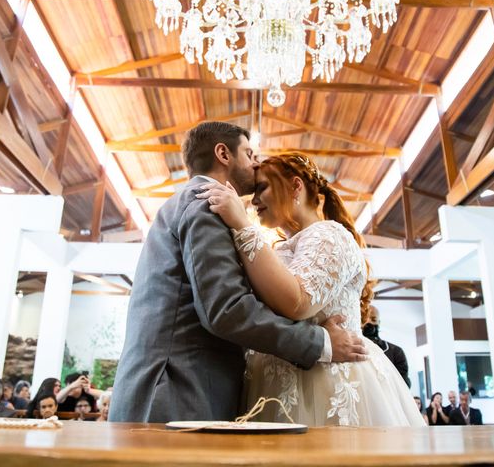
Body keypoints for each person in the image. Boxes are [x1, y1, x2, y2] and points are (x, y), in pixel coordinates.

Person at [109, 122, 367, 423]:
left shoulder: (201, 205)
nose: (255, 162)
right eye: (249, 153)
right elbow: (226, 309)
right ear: (223, 154)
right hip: (178, 389)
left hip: (185, 385)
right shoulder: (206, 204)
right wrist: (319, 343)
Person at [197, 152, 425, 426]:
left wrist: (243, 226)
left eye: (262, 188)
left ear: (296, 186)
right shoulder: (278, 249)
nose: (254, 201)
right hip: (274, 388)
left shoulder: (330, 234)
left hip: (324, 385)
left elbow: (299, 302)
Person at [362, 305, 411, 387]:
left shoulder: (396, 352)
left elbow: (404, 383)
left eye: (373, 319)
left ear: (378, 322)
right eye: (363, 319)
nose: (368, 322)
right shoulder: (351, 350)